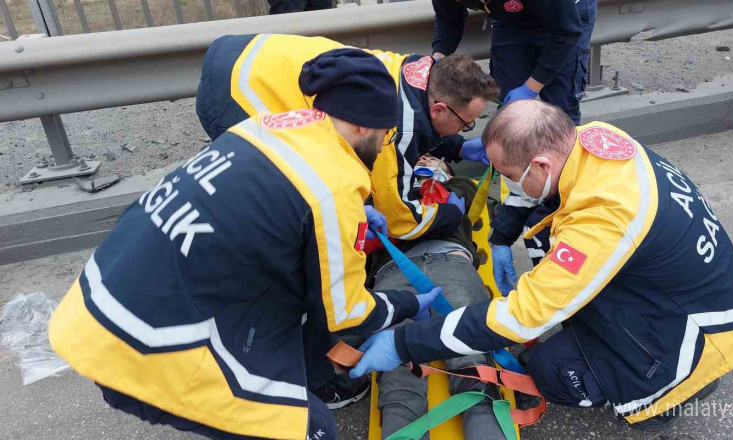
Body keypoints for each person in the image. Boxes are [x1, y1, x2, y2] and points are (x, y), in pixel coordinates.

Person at [48, 53, 441, 440]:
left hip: (93, 311)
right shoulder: (334, 184)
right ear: (360, 124)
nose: (385, 142)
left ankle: (303, 378)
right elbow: (345, 314)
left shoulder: (264, 126)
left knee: (291, 294)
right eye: (386, 133)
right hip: (143, 345)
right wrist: (406, 304)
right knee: (311, 430)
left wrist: (348, 220)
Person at [349, 99, 733, 431]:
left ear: (541, 164)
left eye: (508, 175)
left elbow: (521, 318)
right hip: (693, 291)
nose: (506, 184)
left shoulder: (603, 221)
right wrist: (499, 239)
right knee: (547, 245)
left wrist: (403, 344)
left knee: (551, 369)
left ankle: (673, 393)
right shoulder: (594, 139)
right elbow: (531, 191)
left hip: (702, 334)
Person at [196, 33, 498, 242]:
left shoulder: (420, 71)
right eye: (465, 126)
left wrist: (456, 147)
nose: (463, 130)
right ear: (440, 109)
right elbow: (401, 220)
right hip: (239, 94)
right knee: (278, 193)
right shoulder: (398, 124)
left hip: (246, 52)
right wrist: (450, 213)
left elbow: (422, 125)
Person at [368, 155, 506, 440]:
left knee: (472, 368)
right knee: (397, 376)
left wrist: (437, 178)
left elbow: (465, 192)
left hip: (449, 262)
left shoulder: (456, 189)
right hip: (394, 268)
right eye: (421, 156)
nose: (427, 158)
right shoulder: (386, 192)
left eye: (437, 159)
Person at [431, 0, 593, 124]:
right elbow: (448, 18)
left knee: (560, 107)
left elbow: (566, 33)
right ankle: (510, 161)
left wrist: (529, 89)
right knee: (508, 106)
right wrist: (438, 57)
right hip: (510, 19)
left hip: (565, 15)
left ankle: (566, 164)